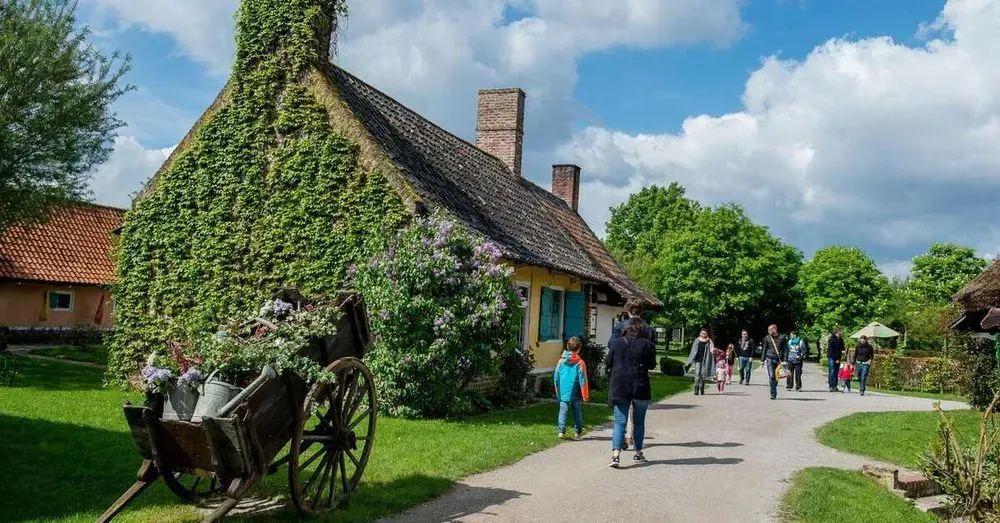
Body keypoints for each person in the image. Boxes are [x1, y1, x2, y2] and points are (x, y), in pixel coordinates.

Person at [605, 317, 656, 467]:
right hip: (640, 385)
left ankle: (615, 455)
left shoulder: (617, 342)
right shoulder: (647, 344)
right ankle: (638, 452)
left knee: (620, 422)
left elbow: (608, 362)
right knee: (639, 422)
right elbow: (652, 365)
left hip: (620, 385)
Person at [554, 336, 590, 439]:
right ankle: (578, 431)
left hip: (563, 390)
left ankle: (561, 431)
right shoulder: (580, 363)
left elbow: (556, 377)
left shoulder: (561, 361)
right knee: (577, 410)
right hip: (575, 391)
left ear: (567, 347)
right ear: (579, 348)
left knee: (563, 410)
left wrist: (557, 390)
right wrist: (585, 395)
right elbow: (583, 380)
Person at [685, 328, 715, 396]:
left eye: (705, 333)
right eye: (702, 333)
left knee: (702, 374)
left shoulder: (709, 341)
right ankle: (696, 389)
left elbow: (711, 349)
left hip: (705, 359)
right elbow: (693, 351)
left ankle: (702, 389)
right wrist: (691, 359)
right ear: (700, 334)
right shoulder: (696, 340)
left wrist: (713, 351)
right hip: (697, 359)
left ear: (707, 334)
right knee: (697, 373)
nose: (703, 335)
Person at [761, 324, 786, 400]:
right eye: (768, 330)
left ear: (774, 329)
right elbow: (764, 349)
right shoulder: (767, 338)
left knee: (776, 377)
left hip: (779, 360)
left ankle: (773, 388)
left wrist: (785, 360)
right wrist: (762, 360)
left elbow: (786, 350)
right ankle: (773, 394)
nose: (768, 332)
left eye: (770, 330)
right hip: (769, 359)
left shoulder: (782, 338)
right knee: (771, 376)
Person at [827, 327, 845, 392]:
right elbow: (831, 350)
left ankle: (835, 386)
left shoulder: (840, 339)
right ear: (838, 331)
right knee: (832, 371)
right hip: (832, 357)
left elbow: (842, 347)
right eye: (841, 331)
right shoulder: (832, 339)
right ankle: (831, 386)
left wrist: (843, 351)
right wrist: (835, 359)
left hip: (838, 358)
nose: (842, 332)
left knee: (836, 372)